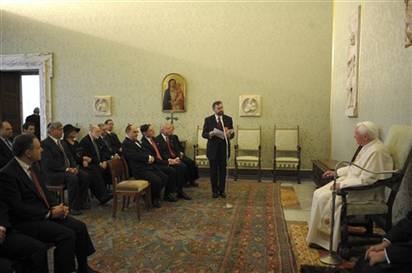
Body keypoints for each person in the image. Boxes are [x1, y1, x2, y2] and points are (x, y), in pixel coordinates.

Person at [0, 134, 98, 273]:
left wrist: (57, 206)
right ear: (28, 153)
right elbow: (17, 207)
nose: (42, 150)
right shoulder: (7, 174)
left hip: (43, 213)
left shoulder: (33, 166)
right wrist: (49, 213)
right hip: (26, 221)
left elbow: (44, 192)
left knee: (79, 226)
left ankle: (83, 268)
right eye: (38, 148)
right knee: (66, 235)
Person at [306, 121, 394, 252]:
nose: (354, 136)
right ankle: (318, 234)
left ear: (365, 137)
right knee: (318, 193)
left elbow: (368, 179)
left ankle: (326, 239)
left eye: (356, 134)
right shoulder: (368, 146)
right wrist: (337, 173)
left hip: (365, 192)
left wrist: (342, 185)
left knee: (325, 197)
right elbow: (355, 167)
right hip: (352, 183)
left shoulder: (377, 152)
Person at [41, 122, 88, 215]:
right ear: (52, 131)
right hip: (52, 174)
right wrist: (67, 169)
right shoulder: (45, 144)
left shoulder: (62, 142)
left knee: (85, 176)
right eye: (60, 129)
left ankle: (80, 202)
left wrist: (74, 167)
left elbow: (70, 157)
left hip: (66, 170)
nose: (62, 132)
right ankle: (73, 207)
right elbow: (49, 163)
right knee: (72, 178)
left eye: (62, 129)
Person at [63, 124, 112, 206]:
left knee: (97, 170)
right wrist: (83, 159)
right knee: (93, 171)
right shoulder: (65, 143)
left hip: (81, 163)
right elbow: (72, 156)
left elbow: (80, 154)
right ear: (68, 133)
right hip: (77, 165)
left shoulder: (76, 142)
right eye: (73, 131)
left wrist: (83, 159)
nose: (75, 133)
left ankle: (103, 194)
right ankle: (101, 196)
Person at [141, 124, 191, 201]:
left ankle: (179, 191)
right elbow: (153, 157)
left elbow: (162, 152)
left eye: (153, 129)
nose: (153, 131)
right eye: (150, 130)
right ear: (145, 133)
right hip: (155, 164)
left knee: (181, 166)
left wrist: (172, 160)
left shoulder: (154, 139)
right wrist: (168, 162)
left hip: (161, 161)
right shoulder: (143, 143)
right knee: (172, 170)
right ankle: (167, 194)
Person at [121, 124, 167, 208]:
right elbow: (134, 156)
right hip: (138, 170)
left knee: (164, 177)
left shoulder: (136, 141)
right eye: (134, 132)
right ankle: (153, 199)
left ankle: (150, 196)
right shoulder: (126, 144)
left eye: (137, 132)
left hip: (146, 167)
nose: (136, 134)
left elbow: (144, 151)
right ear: (127, 132)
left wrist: (150, 156)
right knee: (156, 180)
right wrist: (147, 158)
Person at [0, 201, 48, 273]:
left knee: (38, 249)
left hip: (3, 235)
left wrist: (2, 227)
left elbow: (2, 207)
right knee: (6, 267)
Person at [202, 101, 234, 198]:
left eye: (222, 107)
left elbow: (232, 133)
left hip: (224, 148)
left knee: (223, 170)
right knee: (213, 171)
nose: (221, 110)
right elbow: (204, 134)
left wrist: (229, 134)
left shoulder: (228, 119)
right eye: (219, 108)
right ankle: (214, 191)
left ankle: (222, 190)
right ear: (214, 109)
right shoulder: (208, 120)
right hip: (213, 149)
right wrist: (210, 134)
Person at [157, 123, 199, 187]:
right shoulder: (158, 139)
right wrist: (172, 159)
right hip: (170, 158)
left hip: (177, 155)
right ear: (162, 130)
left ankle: (191, 180)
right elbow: (162, 153)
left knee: (191, 162)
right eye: (168, 129)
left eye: (171, 129)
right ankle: (184, 182)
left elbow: (179, 147)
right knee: (183, 166)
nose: (171, 130)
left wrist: (180, 153)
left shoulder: (173, 137)